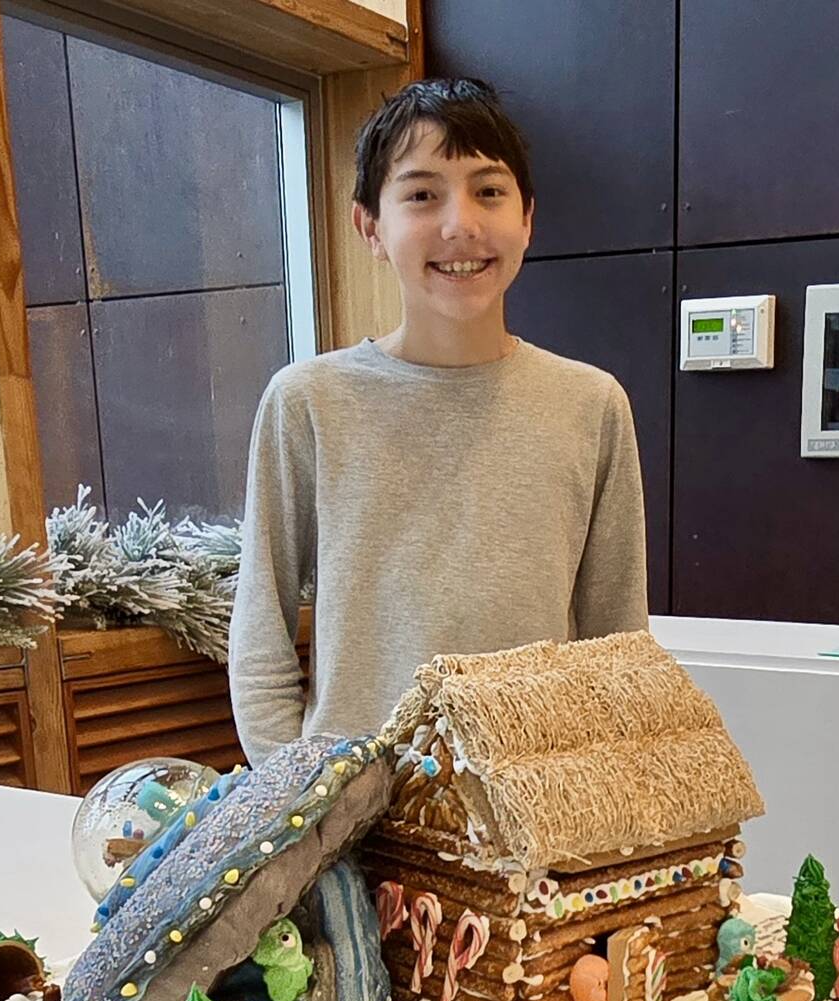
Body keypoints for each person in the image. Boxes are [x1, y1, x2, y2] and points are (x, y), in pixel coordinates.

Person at [229, 77, 649, 763]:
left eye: (489, 191)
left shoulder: (592, 405)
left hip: (533, 806)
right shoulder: (308, 402)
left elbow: (618, 646)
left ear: (527, 219)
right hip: (355, 815)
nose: (461, 225)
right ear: (370, 226)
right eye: (422, 194)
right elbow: (261, 634)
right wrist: (301, 800)